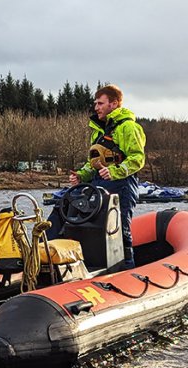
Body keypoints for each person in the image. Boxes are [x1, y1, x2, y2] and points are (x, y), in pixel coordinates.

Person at [48, 84, 146, 269]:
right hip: (98, 185)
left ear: (114, 104)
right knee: (79, 219)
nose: (96, 107)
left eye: (100, 103)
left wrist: (115, 171)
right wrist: (81, 175)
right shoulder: (99, 131)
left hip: (122, 185)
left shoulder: (129, 128)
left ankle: (127, 269)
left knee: (120, 230)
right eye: (96, 103)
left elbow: (137, 158)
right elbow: (92, 163)